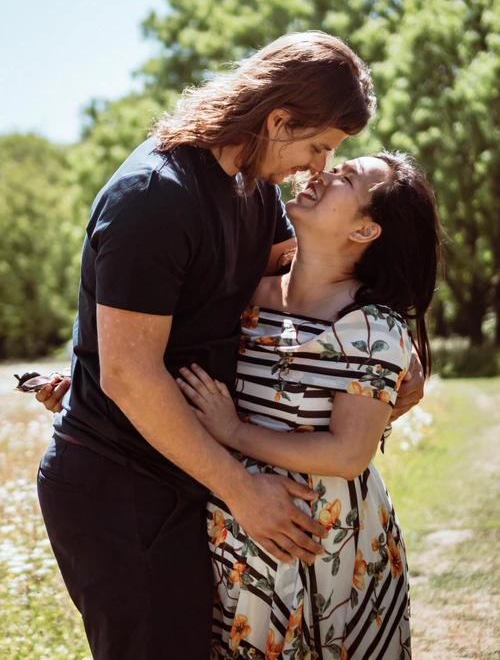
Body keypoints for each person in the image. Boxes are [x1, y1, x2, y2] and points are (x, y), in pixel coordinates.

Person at [36, 32, 424, 660]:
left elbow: (319, 272)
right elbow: (130, 374)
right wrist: (244, 489)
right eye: (319, 144)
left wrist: (393, 360)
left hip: (189, 475)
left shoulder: (251, 190)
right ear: (278, 119)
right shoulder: (155, 195)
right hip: (121, 485)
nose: (320, 165)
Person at [175, 151, 440, 659]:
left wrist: (232, 433)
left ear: (365, 231)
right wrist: (81, 387)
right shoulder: (247, 294)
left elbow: (347, 454)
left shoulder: (373, 328)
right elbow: (164, 357)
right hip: (233, 534)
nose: (322, 173)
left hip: (328, 547)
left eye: (345, 178)